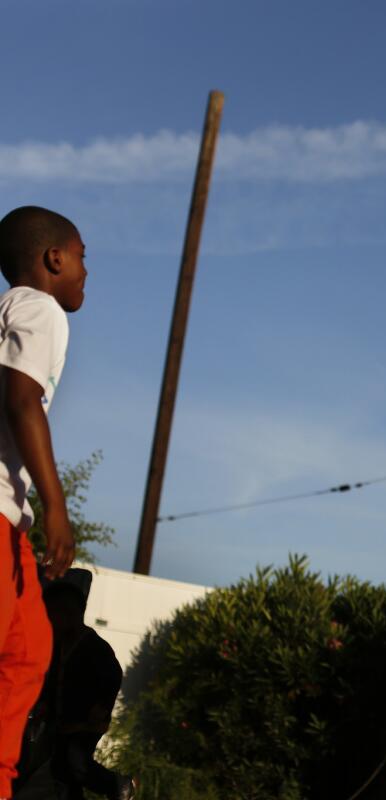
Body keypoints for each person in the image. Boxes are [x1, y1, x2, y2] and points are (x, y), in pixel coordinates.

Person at [0, 207, 84, 800]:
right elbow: (24, 400)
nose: (87, 272)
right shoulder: (40, 308)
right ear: (54, 259)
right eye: (83, 257)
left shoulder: (10, 310)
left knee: (28, 648)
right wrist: (56, 505)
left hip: (9, 521)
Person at [40, 573, 136, 800]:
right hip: (64, 719)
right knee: (61, 768)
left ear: (73, 615)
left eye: (55, 615)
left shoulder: (94, 648)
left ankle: (117, 785)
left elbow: (113, 675)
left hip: (87, 721)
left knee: (76, 761)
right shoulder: (56, 646)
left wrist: (102, 706)